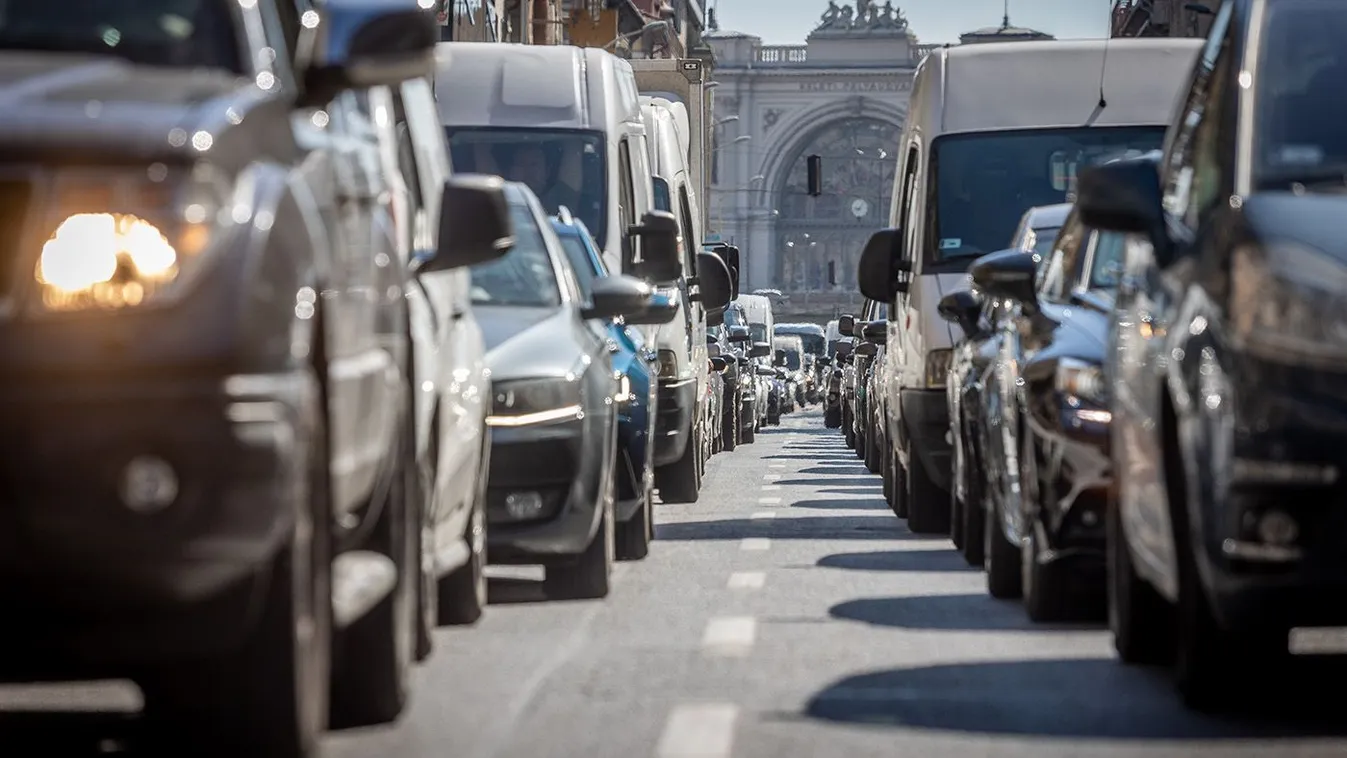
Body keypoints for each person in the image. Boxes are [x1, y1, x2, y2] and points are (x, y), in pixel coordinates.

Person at [502, 144, 583, 214]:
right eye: (521, 164)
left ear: (547, 171)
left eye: (534, 164)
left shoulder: (559, 201)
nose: (528, 170)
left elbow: (573, 147)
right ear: (510, 171)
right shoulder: (501, 201)